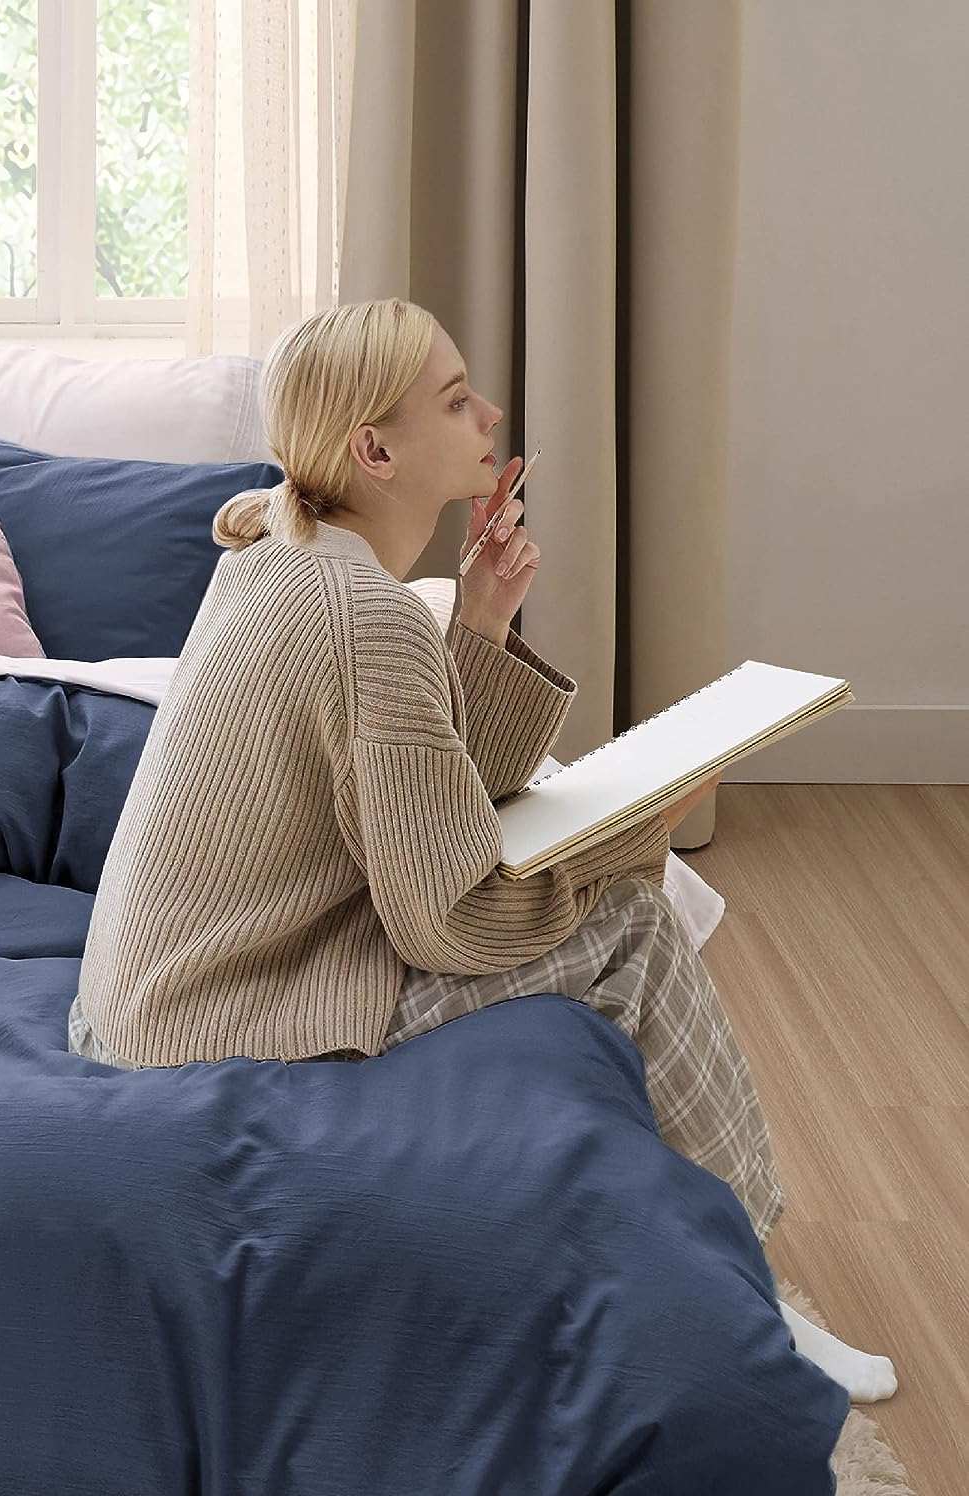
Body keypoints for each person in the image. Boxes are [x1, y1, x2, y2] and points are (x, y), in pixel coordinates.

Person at [66, 297, 895, 1403]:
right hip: (233, 1021)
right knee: (638, 927)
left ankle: (678, 1255)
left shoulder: (278, 546)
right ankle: (749, 1286)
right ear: (375, 448)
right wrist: (629, 846)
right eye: (457, 400)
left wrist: (484, 628)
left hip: (151, 1000)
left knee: (615, 897)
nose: (491, 412)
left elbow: (429, 810)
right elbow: (448, 920)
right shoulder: (364, 612)